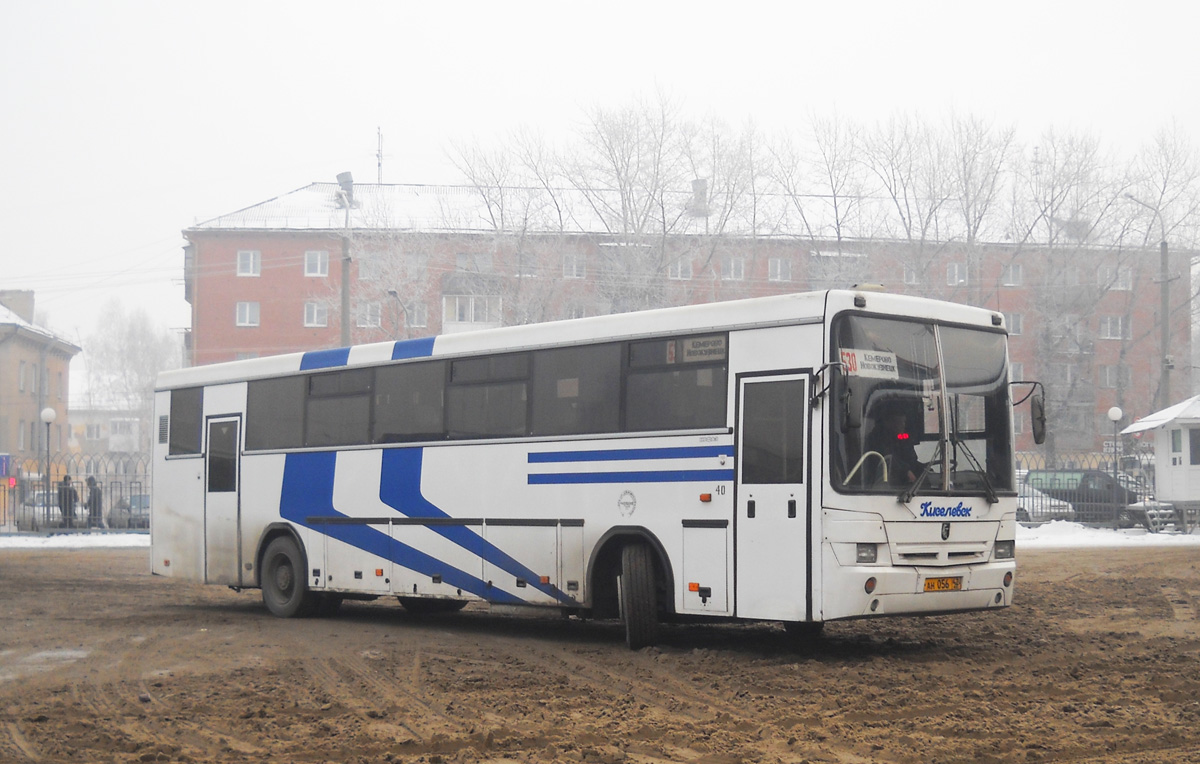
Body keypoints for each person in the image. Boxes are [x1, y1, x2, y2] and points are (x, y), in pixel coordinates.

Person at [866, 404, 921, 485]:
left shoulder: (901, 439)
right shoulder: (876, 439)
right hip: (882, 486)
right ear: (888, 423)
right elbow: (888, 459)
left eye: (904, 422)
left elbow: (912, 460)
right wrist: (906, 471)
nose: (903, 425)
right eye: (900, 422)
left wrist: (924, 469)